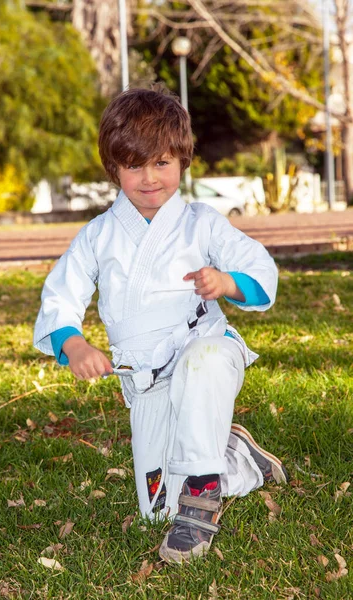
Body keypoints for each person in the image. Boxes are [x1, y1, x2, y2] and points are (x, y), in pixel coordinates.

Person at [34, 84, 288, 564]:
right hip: (146, 382)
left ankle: (202, 494)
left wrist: (226, 283)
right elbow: (59, 297)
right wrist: (74, 345)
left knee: (204, 360)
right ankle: (235, 456)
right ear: (115, 169)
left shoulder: (202, 222)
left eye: (162, 163)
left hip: (209, 352)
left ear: (183, 161)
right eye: (134, 166)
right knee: (155, 511)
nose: (149, 178)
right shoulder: (98, 236)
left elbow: (261, 272)